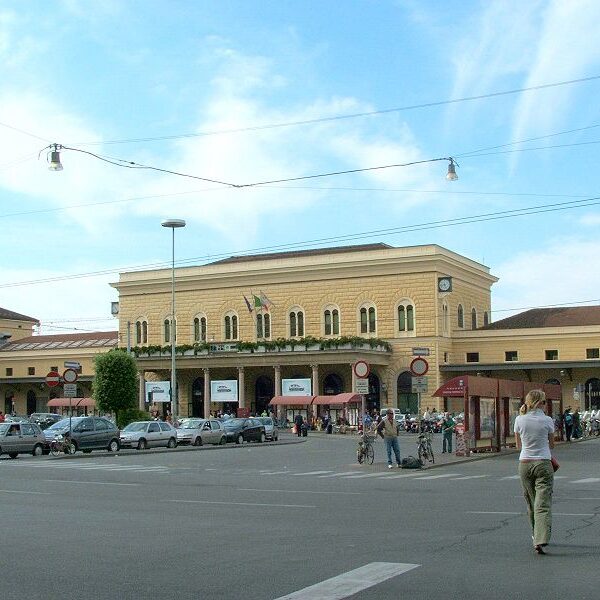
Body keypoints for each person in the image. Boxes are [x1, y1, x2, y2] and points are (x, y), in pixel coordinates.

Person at [514, 389, 556, 555]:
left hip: (524, 463)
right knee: (543, 503)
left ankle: (535, 535)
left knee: (531, 502)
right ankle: (541, 538)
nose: (546, 405)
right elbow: (552, 445)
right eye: (545, 402)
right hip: (543, 463)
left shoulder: (519, 419)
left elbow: (518, 446)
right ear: (540, 403)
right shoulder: (547, 420)